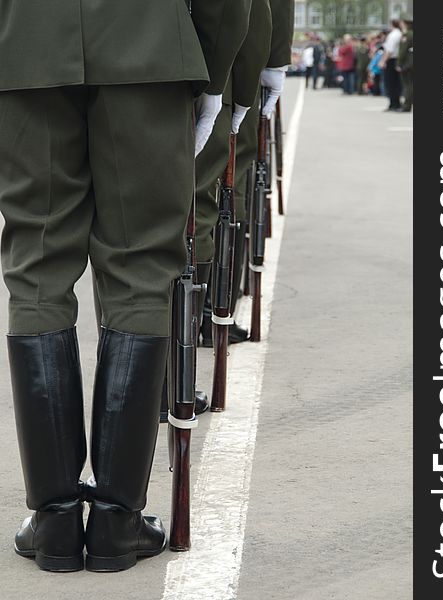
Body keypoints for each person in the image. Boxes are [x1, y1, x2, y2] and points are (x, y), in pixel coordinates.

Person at [0, 0, 253, 573]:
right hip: (149, 48)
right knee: (141, 272)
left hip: (25, 48)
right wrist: (211, 75)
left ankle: (55, 519)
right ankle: (117, 520)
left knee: (35, 271)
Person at [196, 0, 295, 353]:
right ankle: (208, 314)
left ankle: (202, 315)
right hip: (226, 64)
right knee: (217, 190)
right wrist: (272, 61)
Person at [380, 19, 403, 111]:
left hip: (391, 60)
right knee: (396, 83)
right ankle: (396, 103)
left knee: (390, 83)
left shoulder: (393, 35)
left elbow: (389, 50)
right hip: (396, 59)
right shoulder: (400, 34)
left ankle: (393, 103)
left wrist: (383, 61)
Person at [397, 16, 414, 112]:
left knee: (407, 84)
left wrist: (399, 63)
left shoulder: (407, 35)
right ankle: (407, 104)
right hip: (410, 62)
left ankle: (406, 106)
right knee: (410, 84)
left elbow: (403, 50)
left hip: (407, 62)